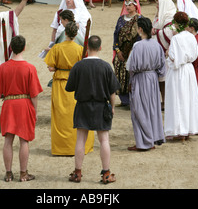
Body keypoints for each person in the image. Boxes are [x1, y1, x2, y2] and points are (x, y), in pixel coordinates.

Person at [65, 35, 120, 184]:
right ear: (100, 48)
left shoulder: (78, 66)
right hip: (101, 106)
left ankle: (77, 172)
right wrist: (112, 107)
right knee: (104, 140)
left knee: (81, 140)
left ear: (87, 47)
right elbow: (112, 92)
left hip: (83, 106)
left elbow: (69, 87)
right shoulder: (106, 66)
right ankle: (106, 173)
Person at [0, 35, 43, 182]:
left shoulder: (3, 67)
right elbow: (34, 94)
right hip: (24, 105)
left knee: (8, 141)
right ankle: (23, 174)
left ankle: (8, 174)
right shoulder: (30, 68)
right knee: (24, 141)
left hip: (9, 105)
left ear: (11, 48)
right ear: (24, 48)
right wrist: (35, 111)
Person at [44, 21, 94, 156]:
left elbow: (51, 67)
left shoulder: (57, 48)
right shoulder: (80, 49)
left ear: (65, 32)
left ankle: (62, 147)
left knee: (60, 116)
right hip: (76, 83)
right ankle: (79, 145)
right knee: (76, 115)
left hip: (61, 84)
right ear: (76, 34)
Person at [127, 16, 165, 151]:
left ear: (140, 29)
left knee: (139, 110)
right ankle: (153, 138)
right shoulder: (157, 45)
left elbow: (131, 67)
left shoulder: (137, 46)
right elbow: (162, 65)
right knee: (152, 109)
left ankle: (144, 142)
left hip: (140, 79)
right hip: (153, 79)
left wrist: (131, 81)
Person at [164, 11, 198, 140]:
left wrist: (168, 54)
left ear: (176, 24)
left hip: (178, 71)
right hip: (189, 70)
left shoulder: (176, 38)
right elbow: (195, 54)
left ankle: (179, 130)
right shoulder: (192, 37)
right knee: (188, 98)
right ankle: (188, 128)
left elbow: (174, 59)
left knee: (177, 99)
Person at [113, 0, 141, 106]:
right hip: (120, 52)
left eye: (130, 5)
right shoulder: (121, 19)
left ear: (135, 6)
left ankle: (132, 100)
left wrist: (132, 52)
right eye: (126, 5)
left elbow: (139, 37)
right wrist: (117, 50)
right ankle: (124, 100)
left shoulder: (139, 19)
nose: (128, 7)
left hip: (132, 51)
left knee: (131, 75)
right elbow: (116, 34)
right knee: (119, 74)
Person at [152, 0, 177, 109]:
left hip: (166, 53)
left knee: (166, 79)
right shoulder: (159, 15)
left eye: (158, 3)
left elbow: (169, 32)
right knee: (159, 80)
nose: (157, 5)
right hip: (157, 53)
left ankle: (167, 101)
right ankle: (161, 100)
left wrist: (156, 31)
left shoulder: (170, 16)